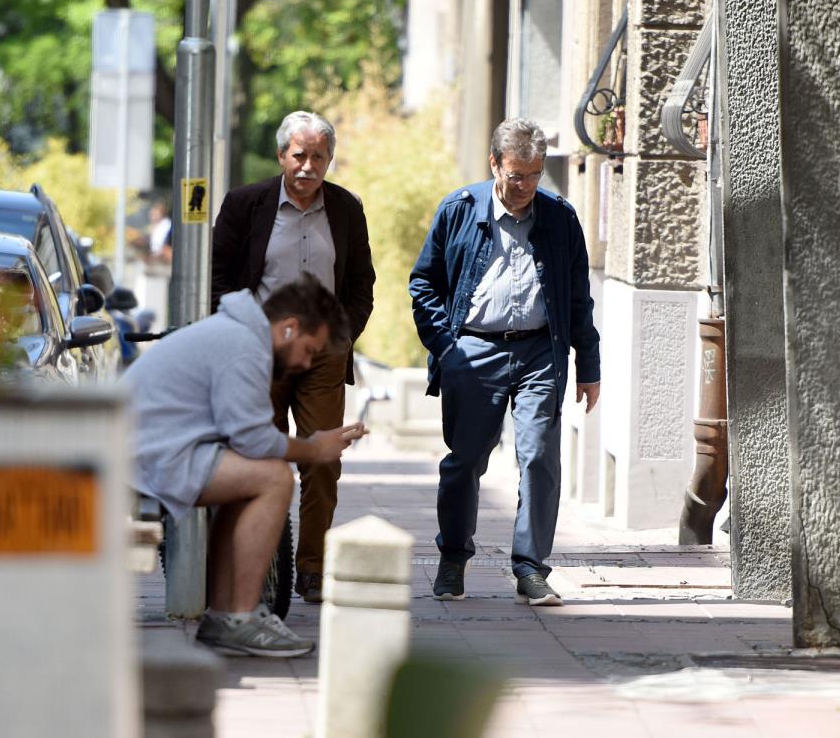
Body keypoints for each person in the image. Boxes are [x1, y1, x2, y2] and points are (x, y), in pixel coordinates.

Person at [408, 117, 601, 607]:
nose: (525, 186)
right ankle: (453, 558)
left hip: (540, 351)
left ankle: (531, 568)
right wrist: (447, 349)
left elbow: (578, 296)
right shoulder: (458, 209)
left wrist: (588, 363)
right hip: (474, 350)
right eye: (517, 176)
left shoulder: (560, 217)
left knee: (539, 457)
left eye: (535, 175)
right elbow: (423, 284)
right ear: (495, 164)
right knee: (465, 460)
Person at [123, 275, 367, 656]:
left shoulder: (237, 336)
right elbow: (253, 440)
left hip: (145, 453)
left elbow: (247, 439)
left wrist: (313, 445)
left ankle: (227, 617)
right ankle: (237, 617)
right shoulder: (244, 347)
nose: (305, 364)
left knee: (256, 476)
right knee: (274, 478)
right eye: (309, 350)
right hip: (144, 459)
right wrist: (314, 448)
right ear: (289, 328)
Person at [211, 110, 376, 605]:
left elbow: (361, 284)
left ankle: (312, 569)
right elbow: (217, 276)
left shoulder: (345, 209)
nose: (308, 166)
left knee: (322, 460)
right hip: (257, 352)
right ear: (282, 155)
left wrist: (341, 336)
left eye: (319, 157)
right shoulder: (246, 205)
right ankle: (259, 565)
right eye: (299, 155)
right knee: (257, 456)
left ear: (330, 160)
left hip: (322, 356)